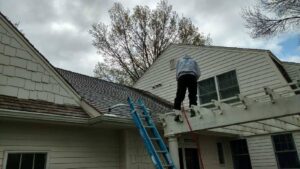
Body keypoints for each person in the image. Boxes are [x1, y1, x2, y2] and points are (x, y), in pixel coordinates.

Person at [174, 54, 200, 121]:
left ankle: (177, 113)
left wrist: (178, 78)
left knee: (180, 95)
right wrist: (195, 78)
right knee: (192, 94)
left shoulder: (179, 61)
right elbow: (198, 72)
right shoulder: (194, 61)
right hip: (192, 76)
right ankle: (193, 110)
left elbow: (177, 71)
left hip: (182, 77)